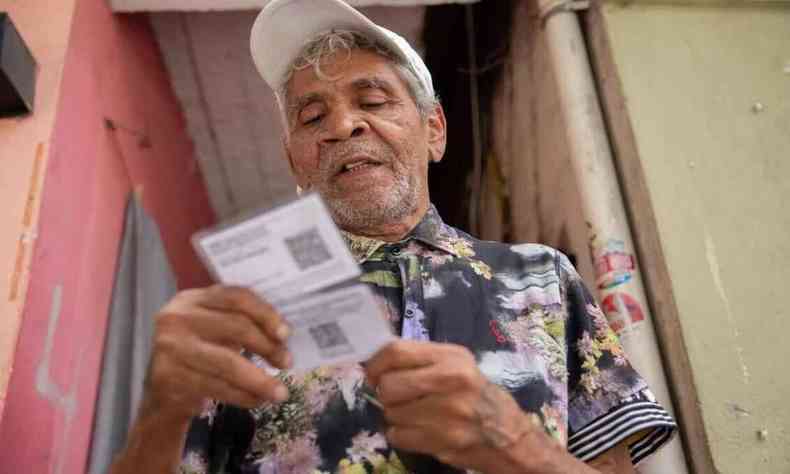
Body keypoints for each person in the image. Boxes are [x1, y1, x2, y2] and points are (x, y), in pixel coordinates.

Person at [111, 0, 676, 473]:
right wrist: (161, 411)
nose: (341, 126)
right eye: (311, 118)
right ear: (295, 162)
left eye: (374, 101)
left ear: (434, 131)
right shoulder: (246, 322)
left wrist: (520, 448)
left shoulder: (541, 277)